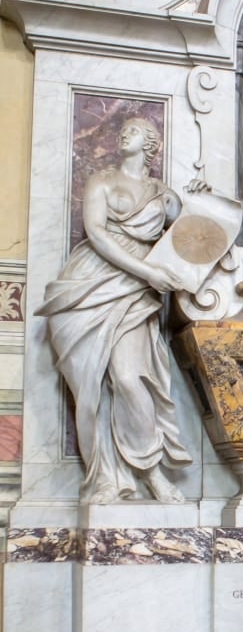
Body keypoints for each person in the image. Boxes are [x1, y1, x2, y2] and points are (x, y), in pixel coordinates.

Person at [38, 118, 192, 504]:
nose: (126, 133)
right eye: (123, 130)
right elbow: (97, 233)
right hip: (91, 283)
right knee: (90, 389)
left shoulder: (164, 195)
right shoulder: (101, 180)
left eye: (136, 130)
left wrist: (198, 197)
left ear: (152, 144)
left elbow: (194, 232)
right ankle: (105, 477)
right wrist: (147, 271)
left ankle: (151, 472)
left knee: (128, 377)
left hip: (136, 295)